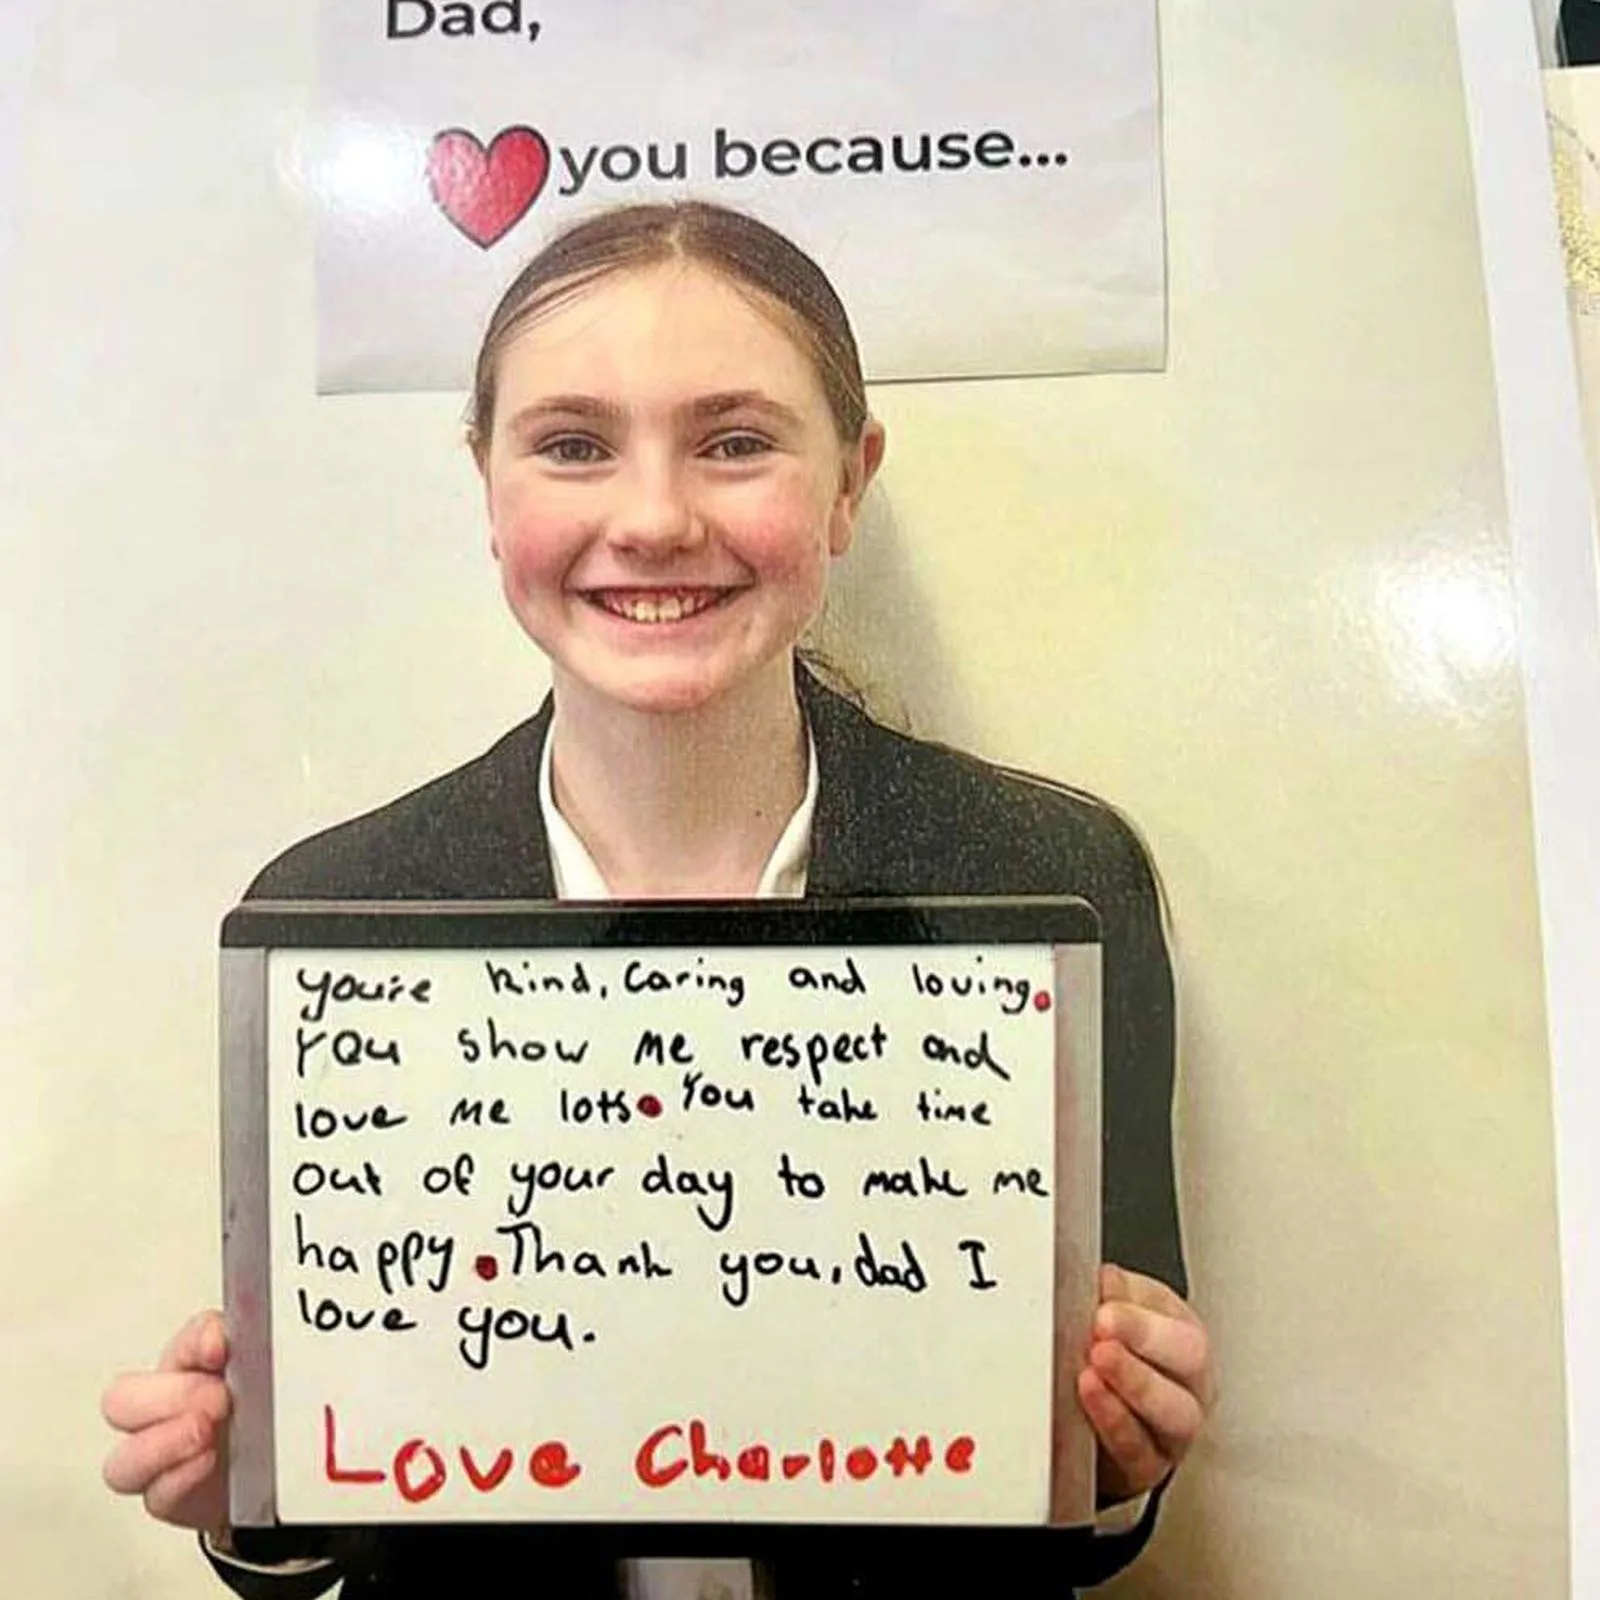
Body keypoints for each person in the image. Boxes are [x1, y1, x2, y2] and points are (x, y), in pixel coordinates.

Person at [100, 201, 1215, 1597]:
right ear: (485, 482)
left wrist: (1116, 1458)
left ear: (850, 484)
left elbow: (1092, 1479)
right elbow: (338, 1484)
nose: (654, 518)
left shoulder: (1052, 879)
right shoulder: (340, 916)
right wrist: (251, 1493)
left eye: (736, 442)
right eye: (572, 445)